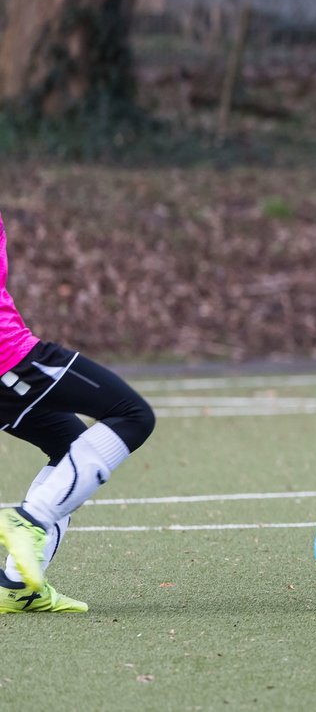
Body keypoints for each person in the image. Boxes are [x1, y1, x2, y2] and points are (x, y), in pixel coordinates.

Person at [0, 210, 156, 613]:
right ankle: (30, 521)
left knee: (72, 450)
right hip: (11, 360)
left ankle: (18, 587)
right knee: (133, 415)